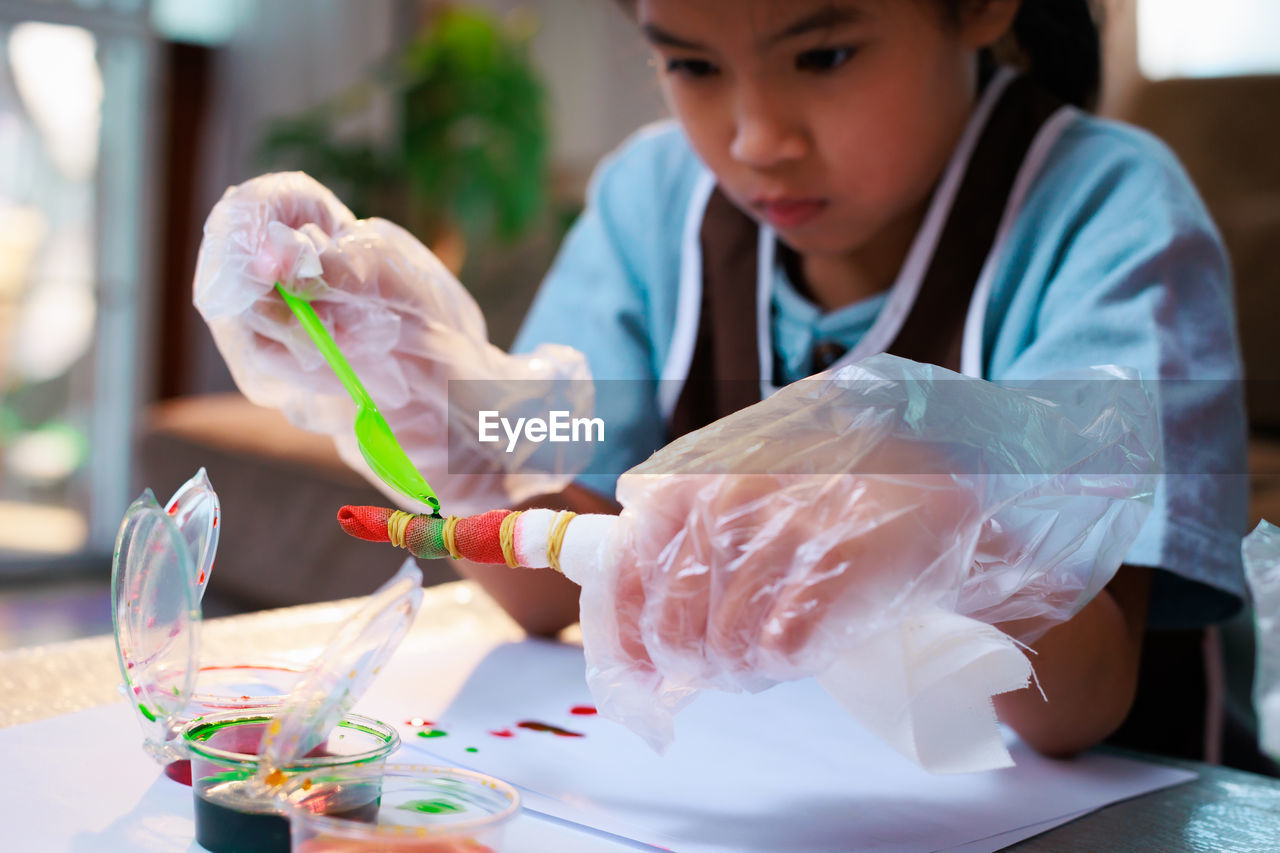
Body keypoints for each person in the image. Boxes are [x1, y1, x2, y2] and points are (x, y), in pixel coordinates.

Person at [196, 0, 1247, 763]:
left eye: (824, 52)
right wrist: (440, 402)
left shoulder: (1105, 210)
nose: (755, 141)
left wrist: (952, 516)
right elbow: (541, 585)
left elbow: (1085, 702)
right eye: (692, 65)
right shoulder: (653, 203)